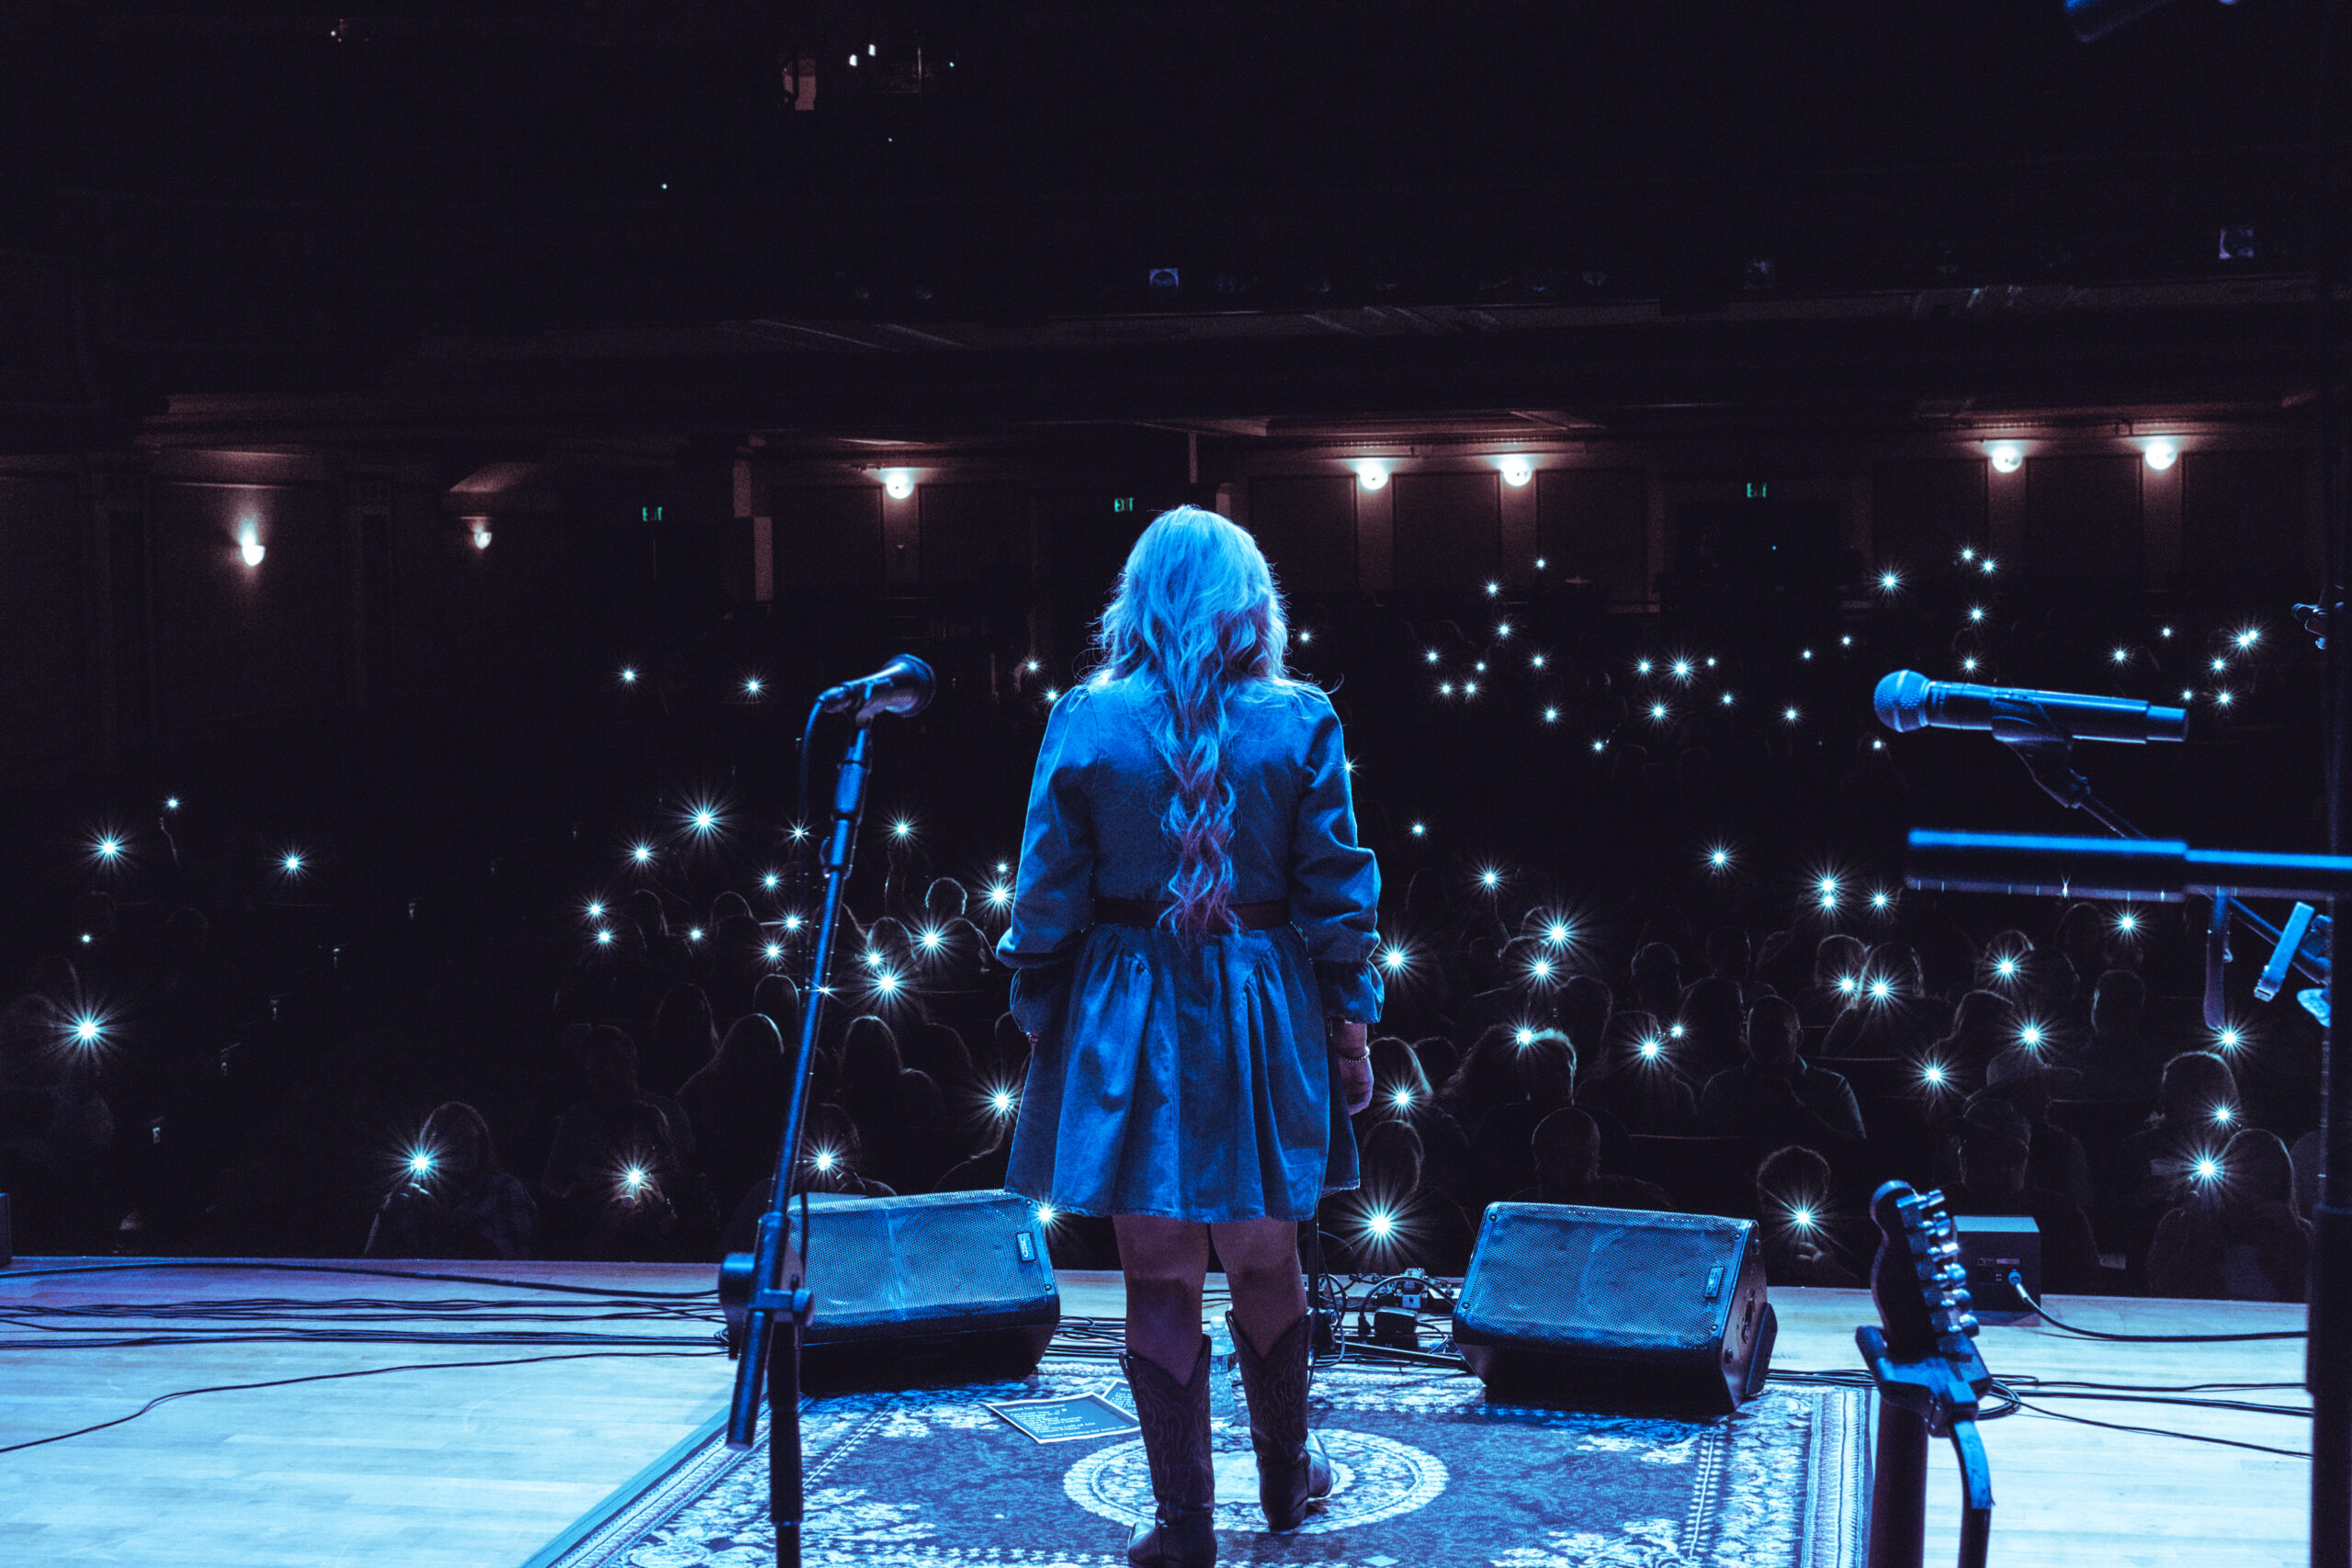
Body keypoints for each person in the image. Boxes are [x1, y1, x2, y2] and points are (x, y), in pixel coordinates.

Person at [997, 507, 1380, 1565]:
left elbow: (1043, 899)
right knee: (1269, 1266)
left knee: (1156, 1279)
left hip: (1126, 1009)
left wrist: (1042, 1019)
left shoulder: (1085, 718)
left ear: (1139, 599)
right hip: (1261, 1009)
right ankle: (1285, 1482)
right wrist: (1350, 1034)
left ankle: (1184, 1524)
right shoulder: (1301, 722)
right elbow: (1337, 897)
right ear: (1251, 602)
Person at [2148, 1130, 2312, 1301]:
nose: (2254, 1182)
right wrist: (2195, 1239)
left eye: (2264, 1174)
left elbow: (2308, 1296)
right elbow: (2162, 1293)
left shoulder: (2299, 1232)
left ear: (2282, 1179)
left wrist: (2290, 1239)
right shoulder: (2180, 1224)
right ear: (2226, 1174)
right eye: (2244, 1171)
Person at [366, 1101, 537, 1260]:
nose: (460, 1149)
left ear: (481, 1143)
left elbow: (514, 1262)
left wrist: (446, 1225)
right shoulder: (408, 1195)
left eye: (468, 1140)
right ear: (431, 1144)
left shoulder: (504, 1190)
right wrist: (386, 1218)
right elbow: (371, 1262)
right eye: (449, 1140)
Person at [1697, 998, 1866, 1151]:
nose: (1765, 1037)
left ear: (1798, 1038)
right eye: (1757, 1028)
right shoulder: (1721, 1086)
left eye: (1776, 1029)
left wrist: (1797, 1109)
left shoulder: (1833, 1085)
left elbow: (1855, 1151)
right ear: (1745, 1035)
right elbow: (1704, 1151)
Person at [1510, 1108, 1673, 1212]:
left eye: (1551, 1158)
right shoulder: (1521, 1206)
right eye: (1537, 1156)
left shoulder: (1641, 1204)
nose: (1539, 1169)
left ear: (1584, 1160)